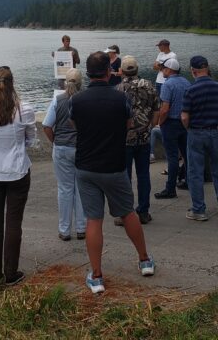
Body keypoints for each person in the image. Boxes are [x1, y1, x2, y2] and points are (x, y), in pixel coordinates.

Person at [70, 51, 155, 294]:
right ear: (109, 71)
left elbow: (74, 125)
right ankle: (144, 260)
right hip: (114, 165)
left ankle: (96, 276)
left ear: (87, 74)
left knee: (94, 219)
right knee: (128, 213)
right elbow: (128, 124)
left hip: (86, 166)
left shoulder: (77, 100)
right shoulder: (120, 99)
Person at [0, 66, 35, 286]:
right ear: (13, 81)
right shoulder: (24, 109)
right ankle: (11, 272)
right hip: (17, 171)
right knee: (13, 223)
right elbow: (30, 139)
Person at [181, 56, 218, 221]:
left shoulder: (191, 89)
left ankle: (199, 210)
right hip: (217, 132)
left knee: (195, 172)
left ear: (193, 70)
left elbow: (184, 117)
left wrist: (189, 128)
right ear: (207, 68)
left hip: (196, 132)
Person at [43, 68, 87, 240]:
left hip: (62, 148)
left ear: (65, 82)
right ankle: (81, 228)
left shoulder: (57, 99)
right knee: (81, 188)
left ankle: (64, 230)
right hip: (81, 148)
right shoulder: (85, 99)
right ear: (81, 82)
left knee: (64, 189)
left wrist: (55, 141)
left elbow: (47, 126)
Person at [116, 55, 159, 225]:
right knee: (143, 175)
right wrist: (150, 126)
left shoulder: (118, 89)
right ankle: (143, 211)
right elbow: (157, 109)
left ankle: (126, 214)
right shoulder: (149, 86)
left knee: (124, 177)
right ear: (137, 69)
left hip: (124, 140)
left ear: (122, 71)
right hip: (144, 138)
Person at [155, 58, 190, 199]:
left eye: (163, 68)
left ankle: (170, 189)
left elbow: (164, 109)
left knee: (172, 157)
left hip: (170, 123)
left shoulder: (167, 85)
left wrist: (160, 122)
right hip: (184, 123)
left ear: (169, 70)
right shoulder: (186, 82)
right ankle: (188, 181)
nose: (162, 70)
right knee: (187, 155)